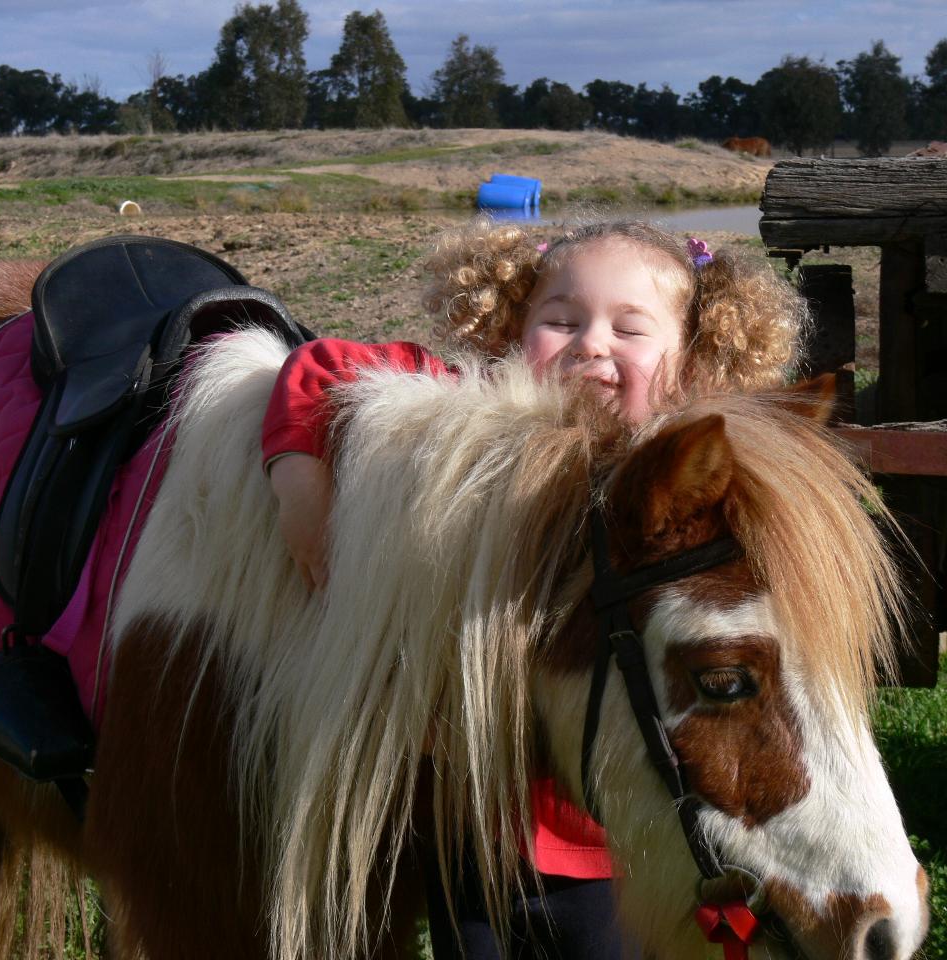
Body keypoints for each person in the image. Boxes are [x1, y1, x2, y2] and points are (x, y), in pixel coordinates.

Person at [260, 217, 808, 959]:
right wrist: (298, 479)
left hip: (612, 843)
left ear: (689, 363)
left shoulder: (681, 476)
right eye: (560, 319)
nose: (590, 343)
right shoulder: (482, 416)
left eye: (630, 329)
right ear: (510, 333)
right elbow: (326, 365)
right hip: (476, 819)